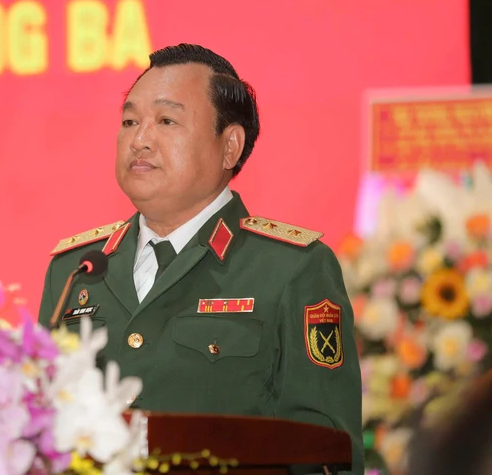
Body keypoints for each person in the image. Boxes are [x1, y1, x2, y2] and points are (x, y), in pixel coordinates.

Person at [37, 44, 363, 474]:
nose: (139, 139)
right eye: (130, 121)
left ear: (229, 147)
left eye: (166, 121)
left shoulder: (291, 269)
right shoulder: (77, 270)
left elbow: (325, 452)